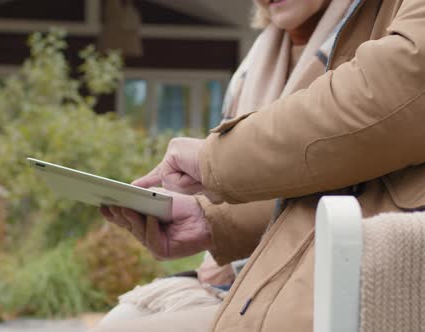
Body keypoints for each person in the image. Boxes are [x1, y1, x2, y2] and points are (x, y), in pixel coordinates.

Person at [95, 0, 425, 331]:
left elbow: (379, 103)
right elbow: (357, 165)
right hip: (334, 266)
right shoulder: (269, 54)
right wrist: (214, 220)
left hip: (382, 281)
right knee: (126, 319)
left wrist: (214, 159)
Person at [97, 0, 354, 326]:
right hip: (239, 270)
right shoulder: (254, 62)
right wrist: (199, 211)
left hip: (312, 271)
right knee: (124, 317)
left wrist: (213, 219)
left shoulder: (361, 51)